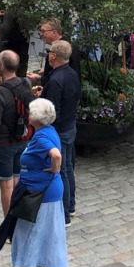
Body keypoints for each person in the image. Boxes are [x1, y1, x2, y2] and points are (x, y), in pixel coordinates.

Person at [3, 97, 67, 267]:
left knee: (27, 230)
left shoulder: (40, 138)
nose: (28, 115)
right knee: (50, 232)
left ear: (36, 118)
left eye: (30, 113)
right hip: (52, 190)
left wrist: (55, 167)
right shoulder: (50, 131)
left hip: (38, 192)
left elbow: (56, 154)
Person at [0, 50, 35, 220]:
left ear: (1, 66)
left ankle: (8, 225)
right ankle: (17, 219)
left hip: (3, 143)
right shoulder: (25, 83)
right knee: (17, 180)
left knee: (6, 185)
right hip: (22, 139)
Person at [40, 37, 80, 225]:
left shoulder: (56, 80)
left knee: (61, 171)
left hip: (60, 130)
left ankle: (64, 215)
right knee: (68, 168)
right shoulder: (72, 74)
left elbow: (52, 110)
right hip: (71, 126)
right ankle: (71, 206)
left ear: (54, 56)